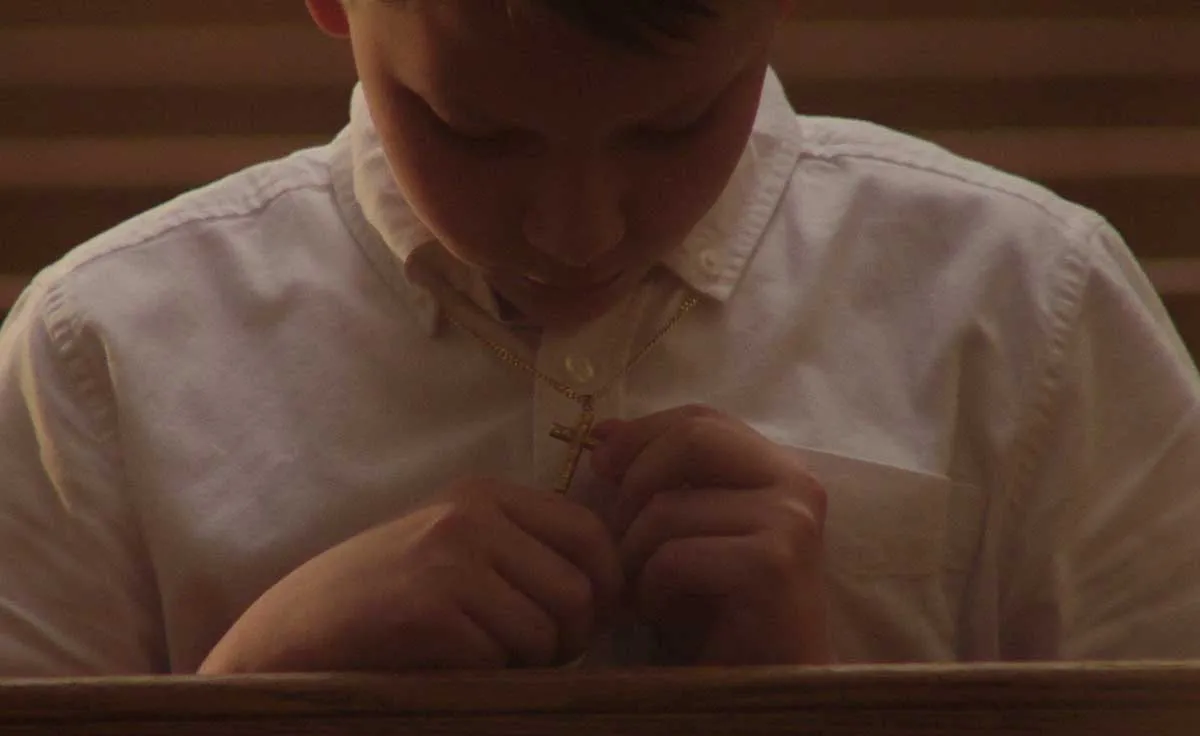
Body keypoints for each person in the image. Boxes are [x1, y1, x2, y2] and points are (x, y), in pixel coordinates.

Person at [2, 0, 1199, 677]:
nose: (578, 234)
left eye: (675, 126)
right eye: (474, 132)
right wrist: (251, 691)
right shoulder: (96, 357)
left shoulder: (1032, 310)